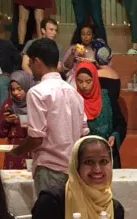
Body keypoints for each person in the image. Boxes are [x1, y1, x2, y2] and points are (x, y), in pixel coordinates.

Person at [11, 38, 88, 196]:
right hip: (73, 169)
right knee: (69, 218)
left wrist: (18, 151)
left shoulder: (37, 92)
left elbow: (36, 138)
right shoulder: (74, 92)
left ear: (37, 62)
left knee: (49, 218)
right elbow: (83, 133)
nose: (30, 68)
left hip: (49, 168)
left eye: (30, 63)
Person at [31, 136, 125, 219]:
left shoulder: (115, 208)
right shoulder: (52, 202)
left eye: (104, 161)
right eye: (89, 162)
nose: (97, 169)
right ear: (76, 166)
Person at [75, 61, 122, 166]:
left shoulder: (107, 97)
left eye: (88, 81)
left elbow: (120, 123)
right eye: (80, 81)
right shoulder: (73, 100)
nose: (84, 86)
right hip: (82, 158)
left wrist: (114, 136)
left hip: (107, 155)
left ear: (95, 80)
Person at [0, 71, 34, 170]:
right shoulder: (8, 104)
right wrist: (6, 121)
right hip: (13, 151)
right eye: (13, 89)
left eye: (19, 89)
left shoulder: (35, 103)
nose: (15, 93)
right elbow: (0, 133)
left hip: (32, 147)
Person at [96, 45, 126, 168]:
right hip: (114, 112)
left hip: (101, 113)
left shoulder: (96, 75)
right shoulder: (116, 75)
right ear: (110, 58)